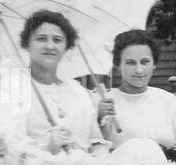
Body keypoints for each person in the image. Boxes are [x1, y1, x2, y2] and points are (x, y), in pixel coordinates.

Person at [20, 10, 109, 156]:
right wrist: (48, 148)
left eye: (57, 40)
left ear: (66, 46)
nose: (50, 46)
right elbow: (11, 147)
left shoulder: (77, 90)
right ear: (27, 44)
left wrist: (102, 160)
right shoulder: (13, 88)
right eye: (41, 39)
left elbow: (96, 140)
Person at [99, 29, 176, 158]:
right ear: (117, 65)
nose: (139, 70)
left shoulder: (168, 101)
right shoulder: (105, 102)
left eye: (145, 62)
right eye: (130, 63)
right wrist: (98, 117)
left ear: (154, 63)